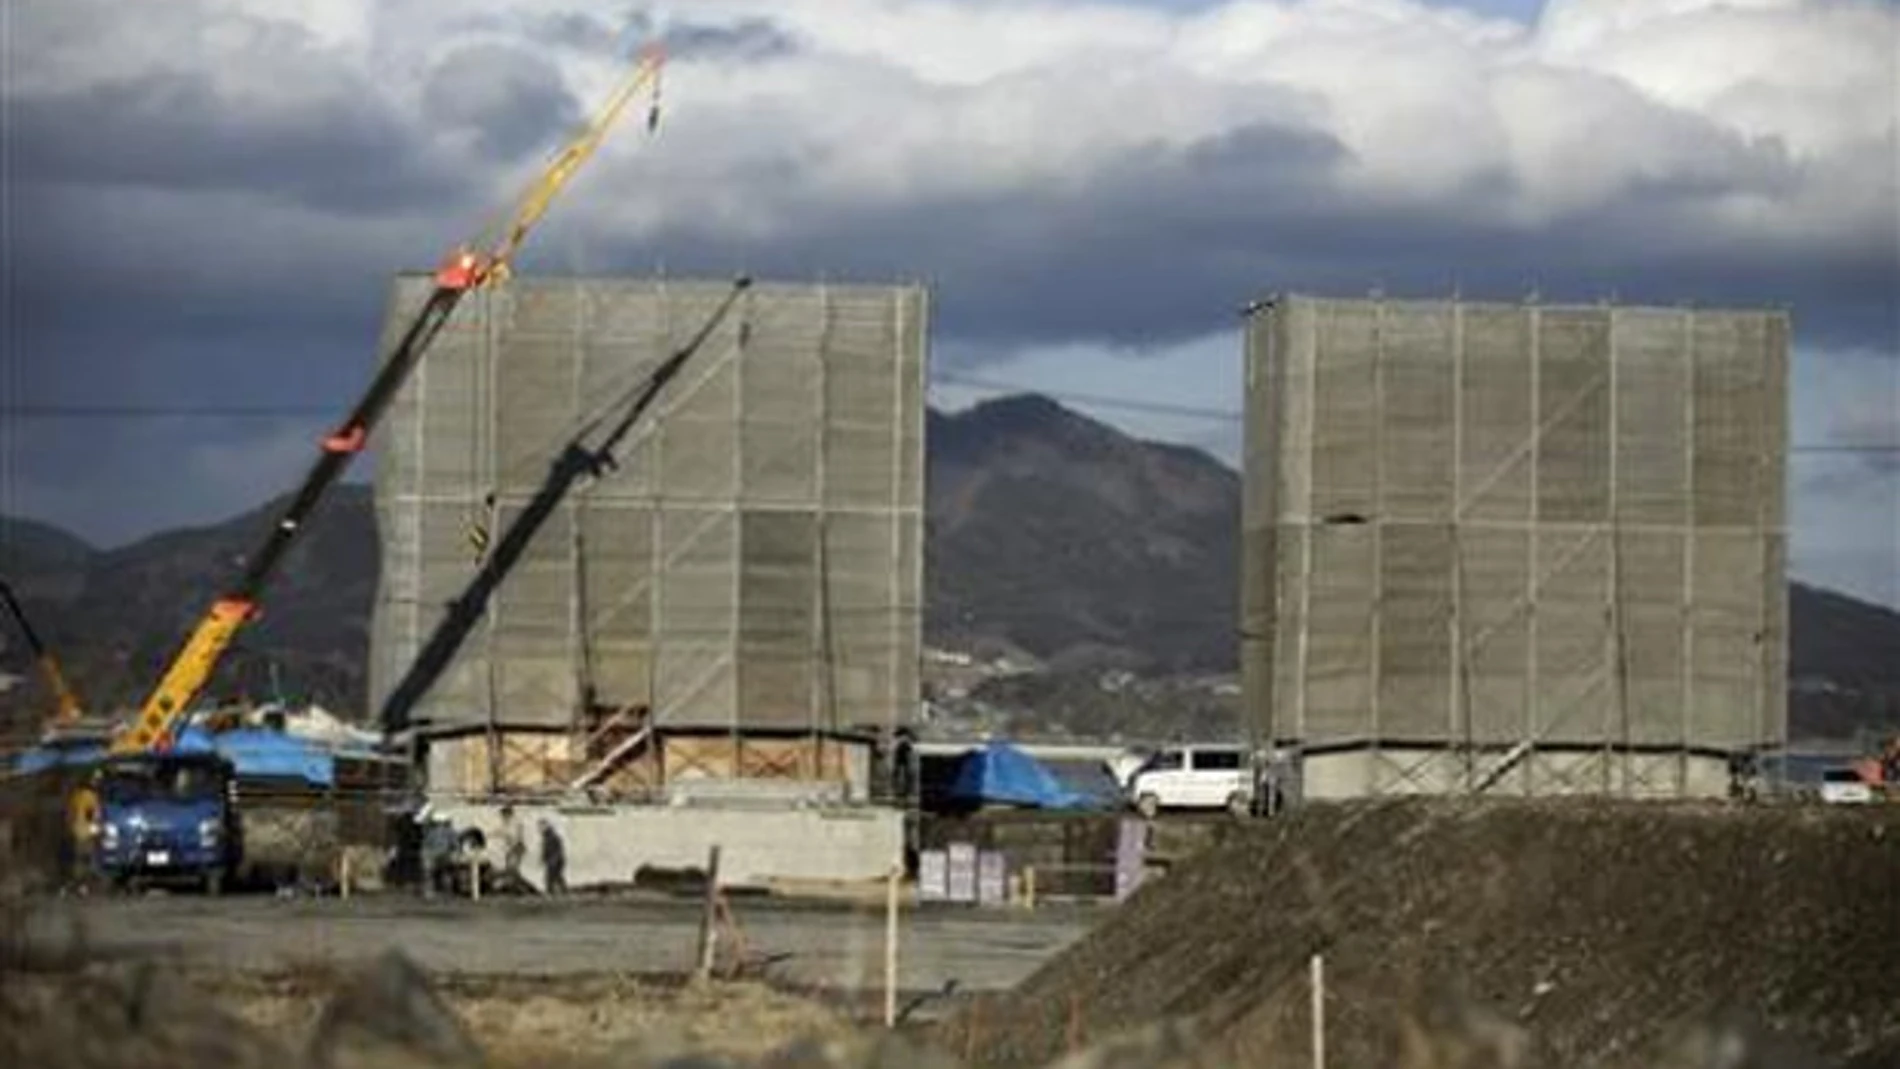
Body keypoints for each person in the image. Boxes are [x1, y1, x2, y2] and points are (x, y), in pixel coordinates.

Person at [539, 819, 567, 895]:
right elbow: (546, 850)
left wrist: (553, 860)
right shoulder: (547, 837)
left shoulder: (552, 836)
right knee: (555, 877)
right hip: (553, 860)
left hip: (555, 860)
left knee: (553, 877)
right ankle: (560, 891)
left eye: (541, 826)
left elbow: (558, 849)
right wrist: (543, 858)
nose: (540, 829)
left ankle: (552, 892)